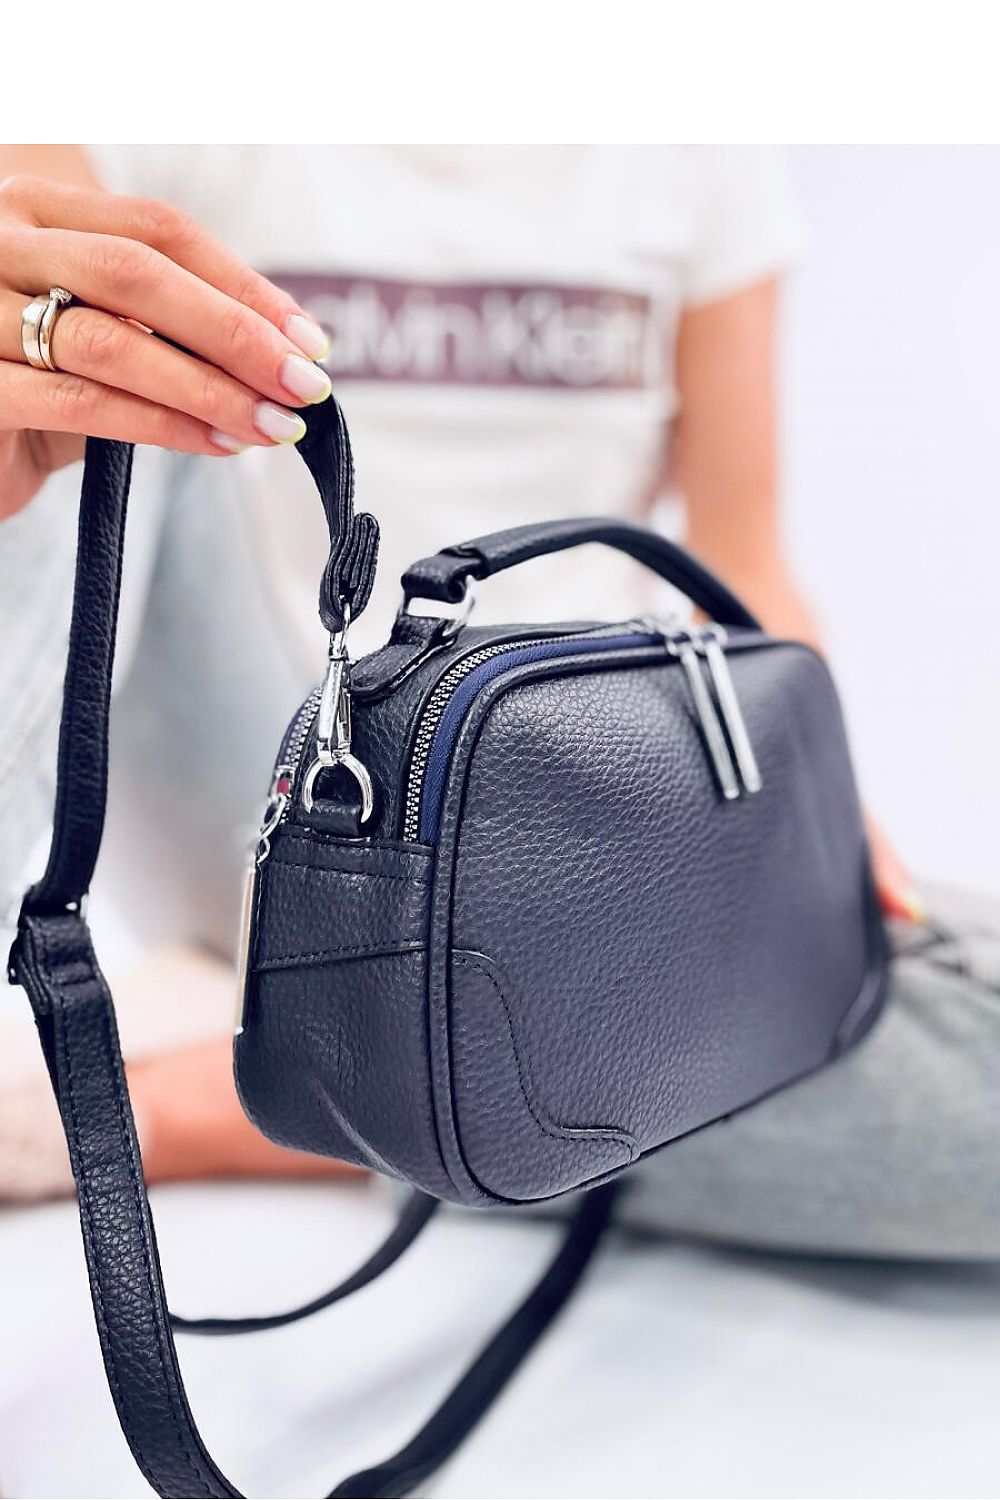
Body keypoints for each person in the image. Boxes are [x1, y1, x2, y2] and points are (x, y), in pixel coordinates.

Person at [1, 146, 997, 1254]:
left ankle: (267, 1091)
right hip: (299, 779)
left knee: (908, 1013)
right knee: (78, 369)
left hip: (587, 840)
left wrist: (806, 806)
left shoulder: (698, 155)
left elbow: (742, 554)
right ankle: (402, 1073)